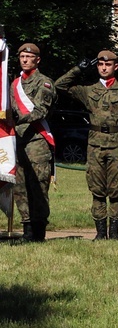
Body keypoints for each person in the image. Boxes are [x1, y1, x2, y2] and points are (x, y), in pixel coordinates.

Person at [55, 50, 118, 240]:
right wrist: (77, 69)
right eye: (100, 64)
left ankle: (115, 232)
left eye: (108, 64)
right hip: (95, 144)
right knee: (97, 189)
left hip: (117, 144)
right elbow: (59, 86)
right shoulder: (89, 91)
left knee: (116, 189)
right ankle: (101, 233)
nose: (103, 67)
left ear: (115, 67)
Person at [10, 43, 57, 242]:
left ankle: (39, 231)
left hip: (36, 141)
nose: (25, 60)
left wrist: (16, 119)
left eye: (29, 57)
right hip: (18, 140)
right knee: (19, 187)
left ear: (37, 59)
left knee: (38, 186)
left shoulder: (44, 82)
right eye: (22, 56)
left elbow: (40, 111)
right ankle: (27, 228)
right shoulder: (13, 84)